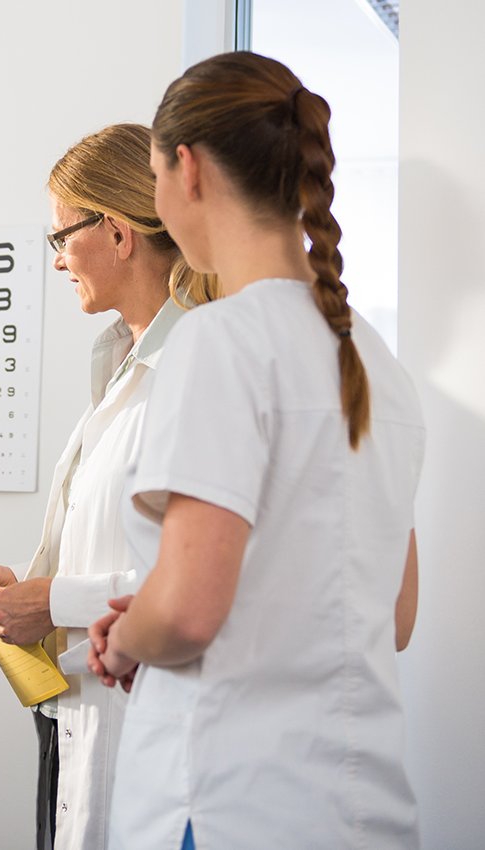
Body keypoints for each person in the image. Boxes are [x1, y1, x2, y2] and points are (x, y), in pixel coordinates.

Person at [88, 52, 422, 850]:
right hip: (357, 806)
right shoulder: (375, 360)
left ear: (186, 169)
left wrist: (129, 635)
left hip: (224, 801)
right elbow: (394, 615)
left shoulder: (219, 340)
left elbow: (191, 612)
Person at [0, 123, 217, 850]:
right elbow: (120, 539)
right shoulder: (121, 362)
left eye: (60, 236)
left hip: (156, 727)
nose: (57, 261)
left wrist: (53, 602)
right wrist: (21, 592)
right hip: (79, 711)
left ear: (118, 233)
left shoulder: (200, 366)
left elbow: (212, 577)